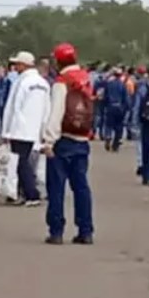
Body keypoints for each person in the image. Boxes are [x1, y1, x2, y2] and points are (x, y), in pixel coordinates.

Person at [42, 43, 96, 244]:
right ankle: (86, 229)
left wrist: (49, 140)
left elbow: (57, 112)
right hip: (82, 138)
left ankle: (56, 231)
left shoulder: (62, 82)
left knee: (56, 188)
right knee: (81, 187)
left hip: (63, 140)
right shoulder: (85, 79)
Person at [0, 51, 51, 207]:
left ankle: (30, 193)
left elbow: (13, 107)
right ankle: (23, 191)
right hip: (35, 129)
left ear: (23, 65)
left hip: (19, 129)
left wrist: (6, 130)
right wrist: (44, 129)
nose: (15, 67)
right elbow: (47, 108)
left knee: (20, 162)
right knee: (29, 162)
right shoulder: (43, 83)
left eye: (17, 64)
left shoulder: (21, 82)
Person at [101, 66, 131, 152]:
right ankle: (116, 143)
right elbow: (125, 98)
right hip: (119, 107)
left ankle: (108, 136)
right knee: (119, 126)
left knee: (109, 124)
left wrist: (104, 105)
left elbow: (105, 96)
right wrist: (127, 107)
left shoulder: (109, 84)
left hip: (110, 106)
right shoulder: (122, 85)